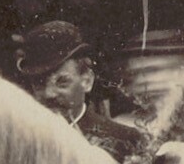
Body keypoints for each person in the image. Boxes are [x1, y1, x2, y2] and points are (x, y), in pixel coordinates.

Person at [14, 20, 144, 156]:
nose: (48, 93)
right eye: (39, 83)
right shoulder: (20, 141)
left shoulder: (125, 140)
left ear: (87, 81)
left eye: (62, 82)